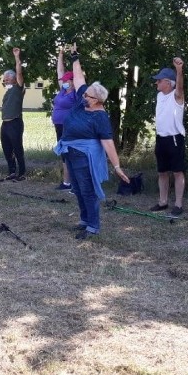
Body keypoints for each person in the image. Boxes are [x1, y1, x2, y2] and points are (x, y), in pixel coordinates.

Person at [54, 45, 129, 240]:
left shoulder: (100, 117)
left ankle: (93, 227)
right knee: (77, 189)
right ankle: (84, 221)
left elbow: (108, 143)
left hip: (84, 156)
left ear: (97, 100)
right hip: (70, 151)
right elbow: (79, 79)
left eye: (88, 95)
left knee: (87, 190)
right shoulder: (83, 101)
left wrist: (117, 166)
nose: (83, 96)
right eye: (85, 94)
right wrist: (75, 56)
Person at [151, 58, 187, 216]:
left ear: (168, 82)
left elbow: (179, 86)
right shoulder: (160, 96)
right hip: (161, 139)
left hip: (175, 139)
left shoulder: (177, 96)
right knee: (162, 172)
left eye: (158, 81)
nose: (156, 83)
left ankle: (178, 205)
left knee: (178, 172)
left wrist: (179, 70)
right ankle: (163, 202)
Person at [52, 47, 79, 190]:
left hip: (68, 126)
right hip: (59, 126)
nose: (64, 82)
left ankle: (74, 183)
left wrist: (74, 56)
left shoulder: (75, 94)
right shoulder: (63, 90)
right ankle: (66, 183)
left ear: (73, 81)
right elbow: (60, 72)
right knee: (63, 153)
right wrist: (60, 54)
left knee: (70, 154)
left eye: (67, 80)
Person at [1, 47, 27, 180]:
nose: (5, 81)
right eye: (4, 79)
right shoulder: (8, 91)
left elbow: (19, 72)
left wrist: (17, 57)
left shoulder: (18, 88)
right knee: (7, 149)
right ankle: (11, 171)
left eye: (7, 79)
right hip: (5, 124)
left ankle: (21, 173)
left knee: (17, 149)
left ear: (14, 79)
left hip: (15, 122)